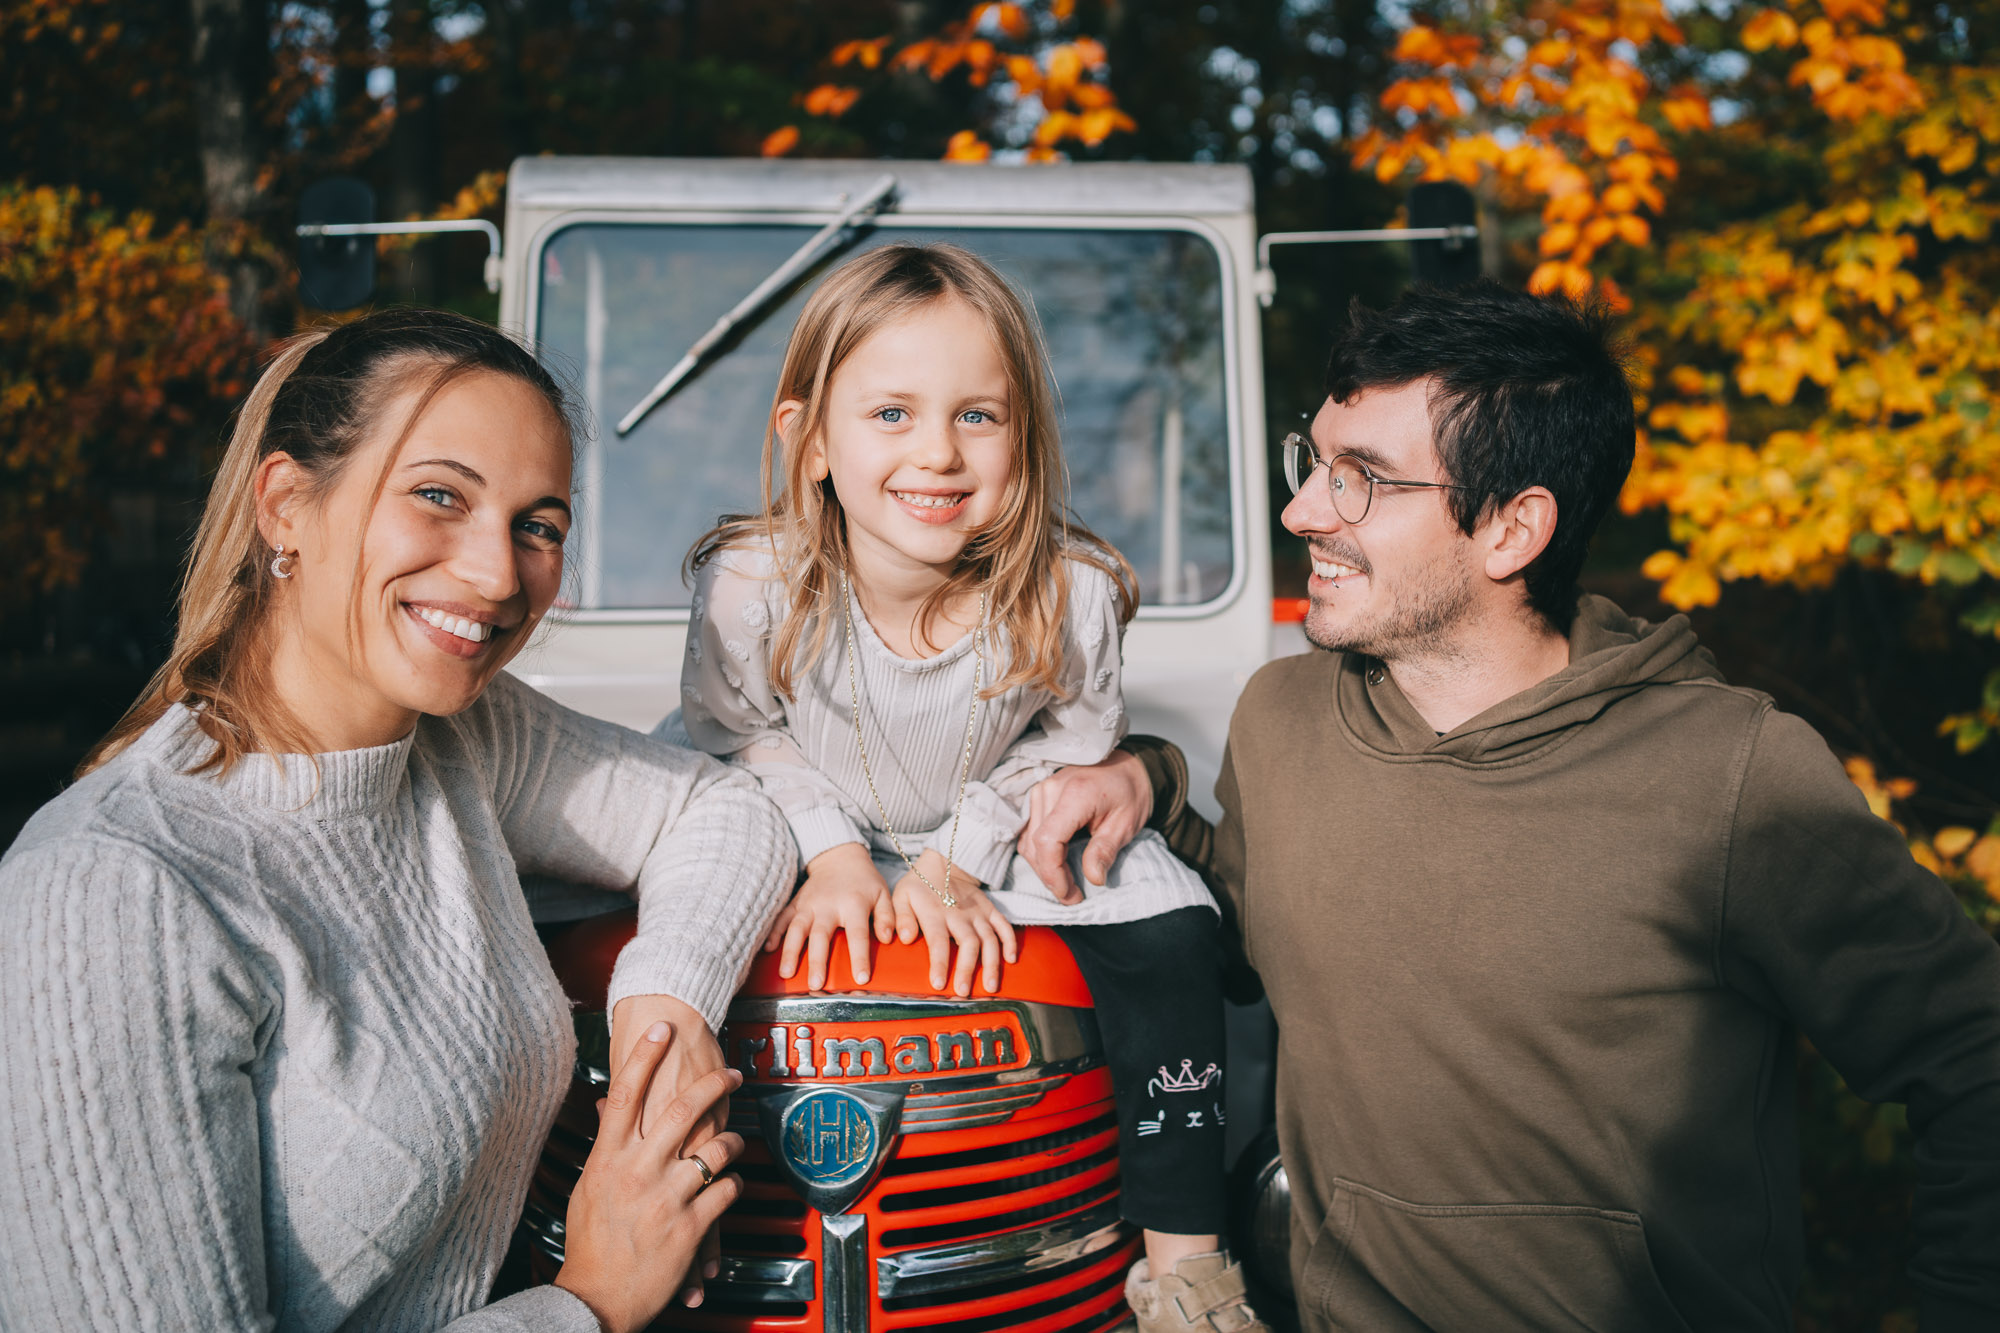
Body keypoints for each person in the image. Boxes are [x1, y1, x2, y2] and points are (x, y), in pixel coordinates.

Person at [1022, 281, 2000, 1331]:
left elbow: (1970, 1053)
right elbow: (1255, 939)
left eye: (1361, 482)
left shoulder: (1730, 775)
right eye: (1312, 461)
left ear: (1509, 528)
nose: (1303, 510)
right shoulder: (1282, 716)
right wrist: (1150, 783)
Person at [0, 309, 798, 1332]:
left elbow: (723, 811)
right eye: (438, 497)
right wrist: (588, 1299)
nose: (499, 575)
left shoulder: (460, 742)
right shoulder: (110, 894)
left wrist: (667, 1013)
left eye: (538, 525)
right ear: (286, 505)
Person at [675, 243, 1269, 1333]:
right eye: (890, 413)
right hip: (797, 813)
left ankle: (1187, 1262)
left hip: (996, 822)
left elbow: (1070, 749)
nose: (937, 453)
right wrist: (834, 853)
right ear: (806, 440)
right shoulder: (751, 582)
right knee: (653, 916)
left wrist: (957, 857)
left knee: (1175, 933)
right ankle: (685, 1231)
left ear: (1025, 440)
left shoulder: (1069, 590)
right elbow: (734, 734)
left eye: (978, 417)